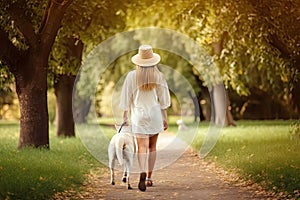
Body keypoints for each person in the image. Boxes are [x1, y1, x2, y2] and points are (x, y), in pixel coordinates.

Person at [119, 44, 171, 191]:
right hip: (154, 115)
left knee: (141, 147)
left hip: (138, 116)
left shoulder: (131, 76)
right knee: (152, 147)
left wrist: (124, 115)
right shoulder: (158, 76)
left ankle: (141, 170)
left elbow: (126, 97)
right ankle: (148, 177)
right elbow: (163, 100)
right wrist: (165, 118)